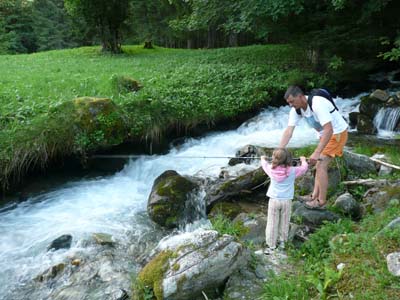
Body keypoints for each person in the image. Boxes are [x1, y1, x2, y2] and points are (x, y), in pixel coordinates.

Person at [279, 85, 348, 209]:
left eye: (292, 102)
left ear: (300, 97)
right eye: (288, 103)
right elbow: (289, 131)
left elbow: (329, 129)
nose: (290, 105)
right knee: (318, 164)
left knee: (321, 164)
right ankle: (313, 196)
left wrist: (317, 152)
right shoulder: (296, 110)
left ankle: (321, 201)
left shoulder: (317, 104)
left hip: (337, 133)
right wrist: (279, 150)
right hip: (324, 135)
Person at [261, 149, 308, 254]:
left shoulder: (271, 169)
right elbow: (304, 168)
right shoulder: (292, 171)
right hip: (286, 201)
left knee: (272, 223)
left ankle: (271, 246)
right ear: (289, 160)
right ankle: (282, 243)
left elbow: (264, 165)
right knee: (285, 222)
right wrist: (303, 160)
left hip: (274, 200)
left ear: (274, 159)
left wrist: (263, 159)